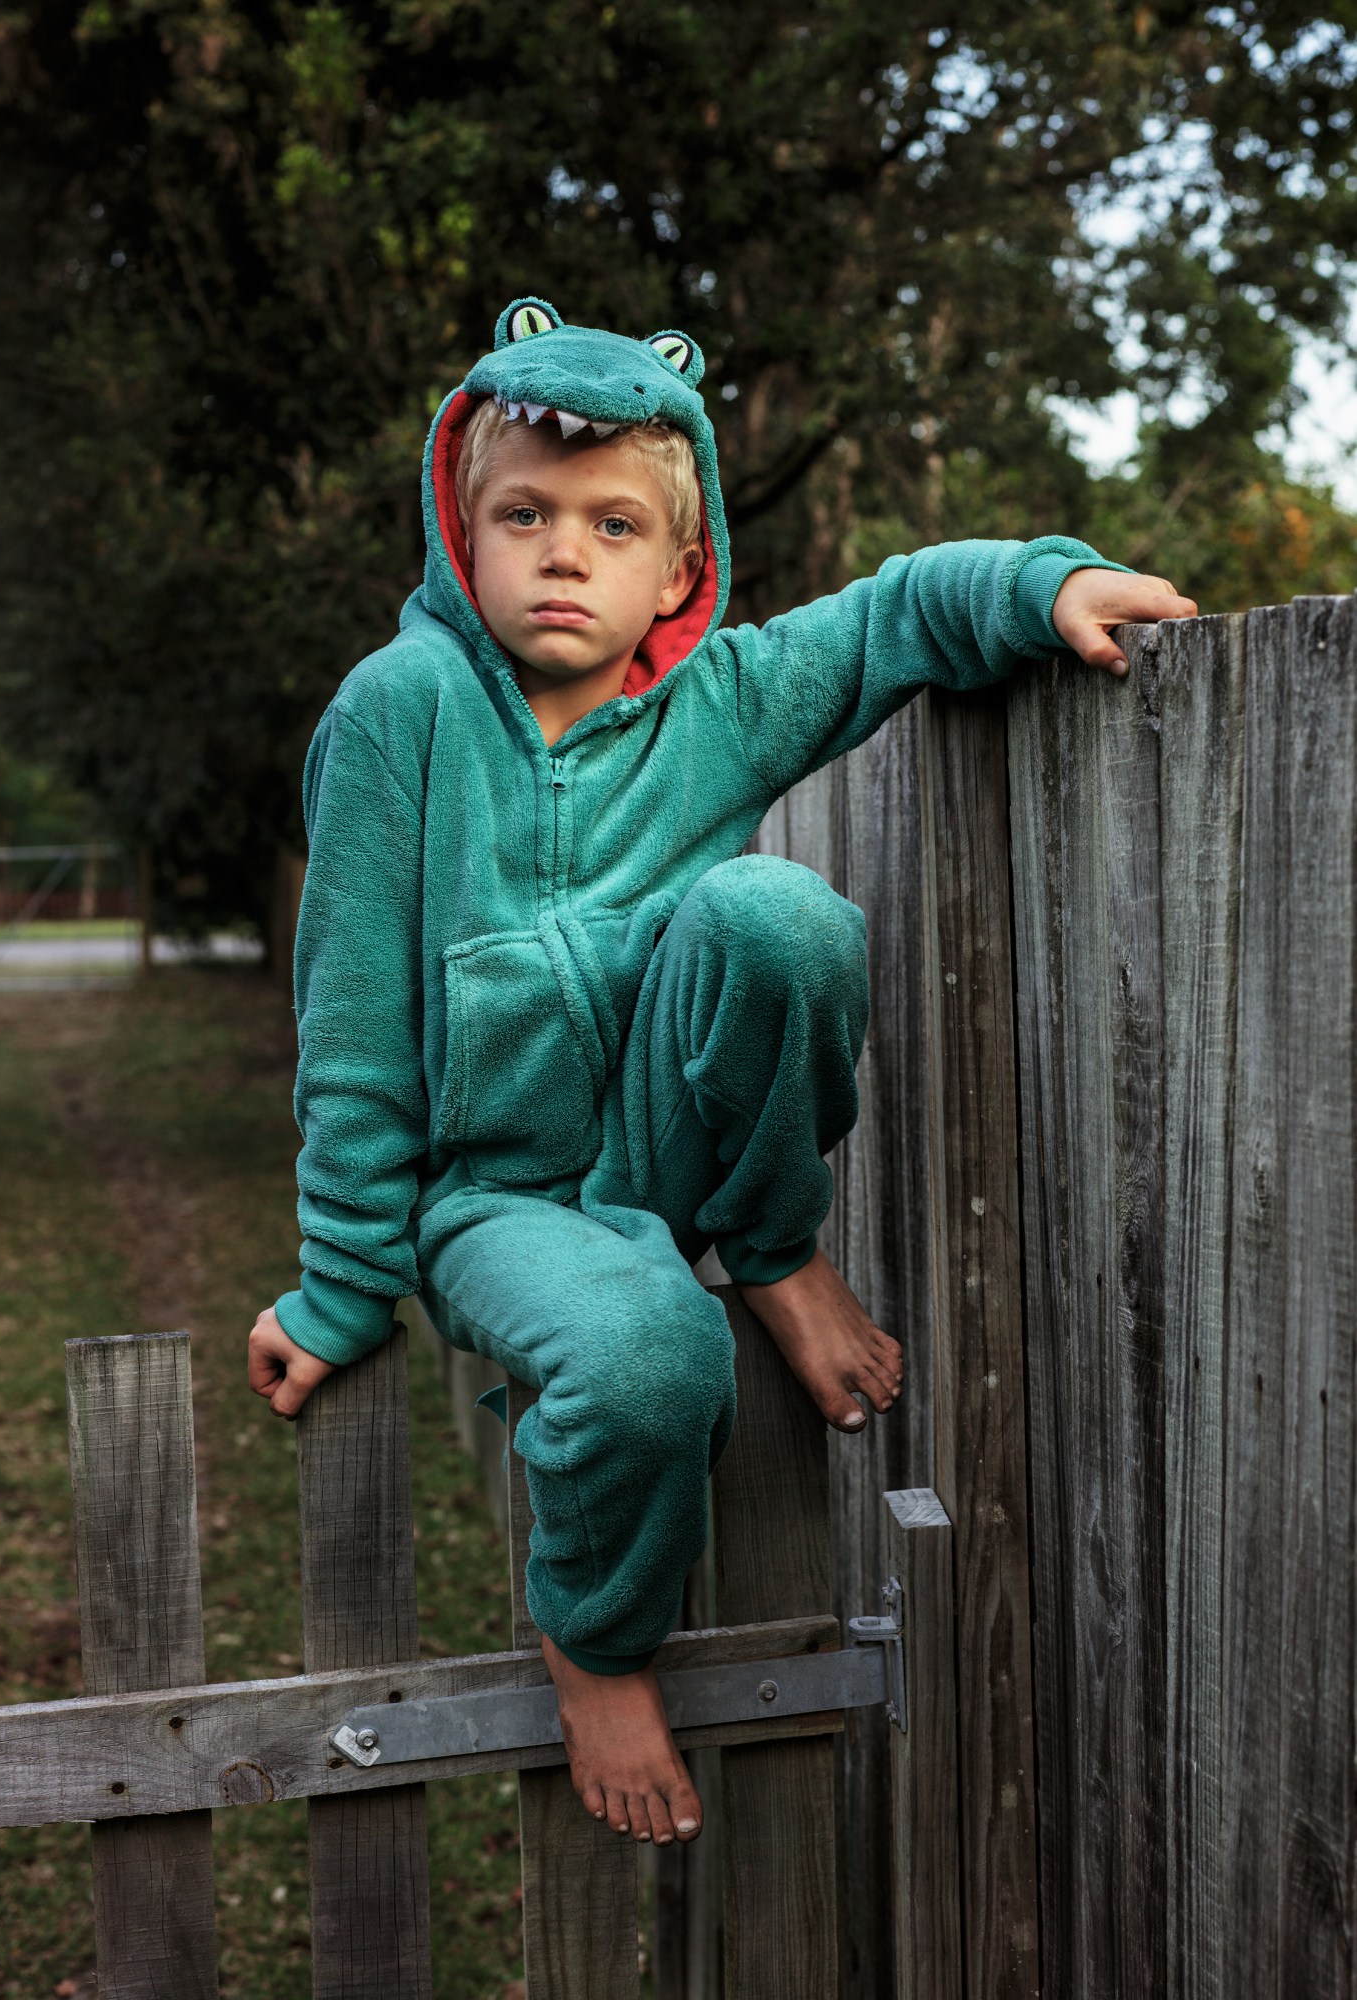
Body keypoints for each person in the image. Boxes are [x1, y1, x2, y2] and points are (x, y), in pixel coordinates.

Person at [247, 296, 1197, 1849]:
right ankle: (594, 1643)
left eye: (613, 524)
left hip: (660, 1137)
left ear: (678, 570)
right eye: (526, 516)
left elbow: (891, 617)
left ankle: (769, 1246)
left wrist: (1047, 584)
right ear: (457, 531)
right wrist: (346, 1280)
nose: (564, 552)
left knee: (776, 917)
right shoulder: (398, 716)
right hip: (492, 1198)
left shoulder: (721, 702)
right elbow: (349, 1028)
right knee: (643, 1362)